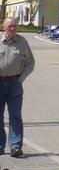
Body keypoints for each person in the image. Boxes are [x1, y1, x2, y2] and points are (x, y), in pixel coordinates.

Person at [0, 17, 35, 158]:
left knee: (15, 115)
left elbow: (30, 63)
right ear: (4, 27)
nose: (13, 28)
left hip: (14, 83)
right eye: (10, 26)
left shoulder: (22, 42)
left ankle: (15, 146)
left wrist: (21, 78)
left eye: (15, 26)